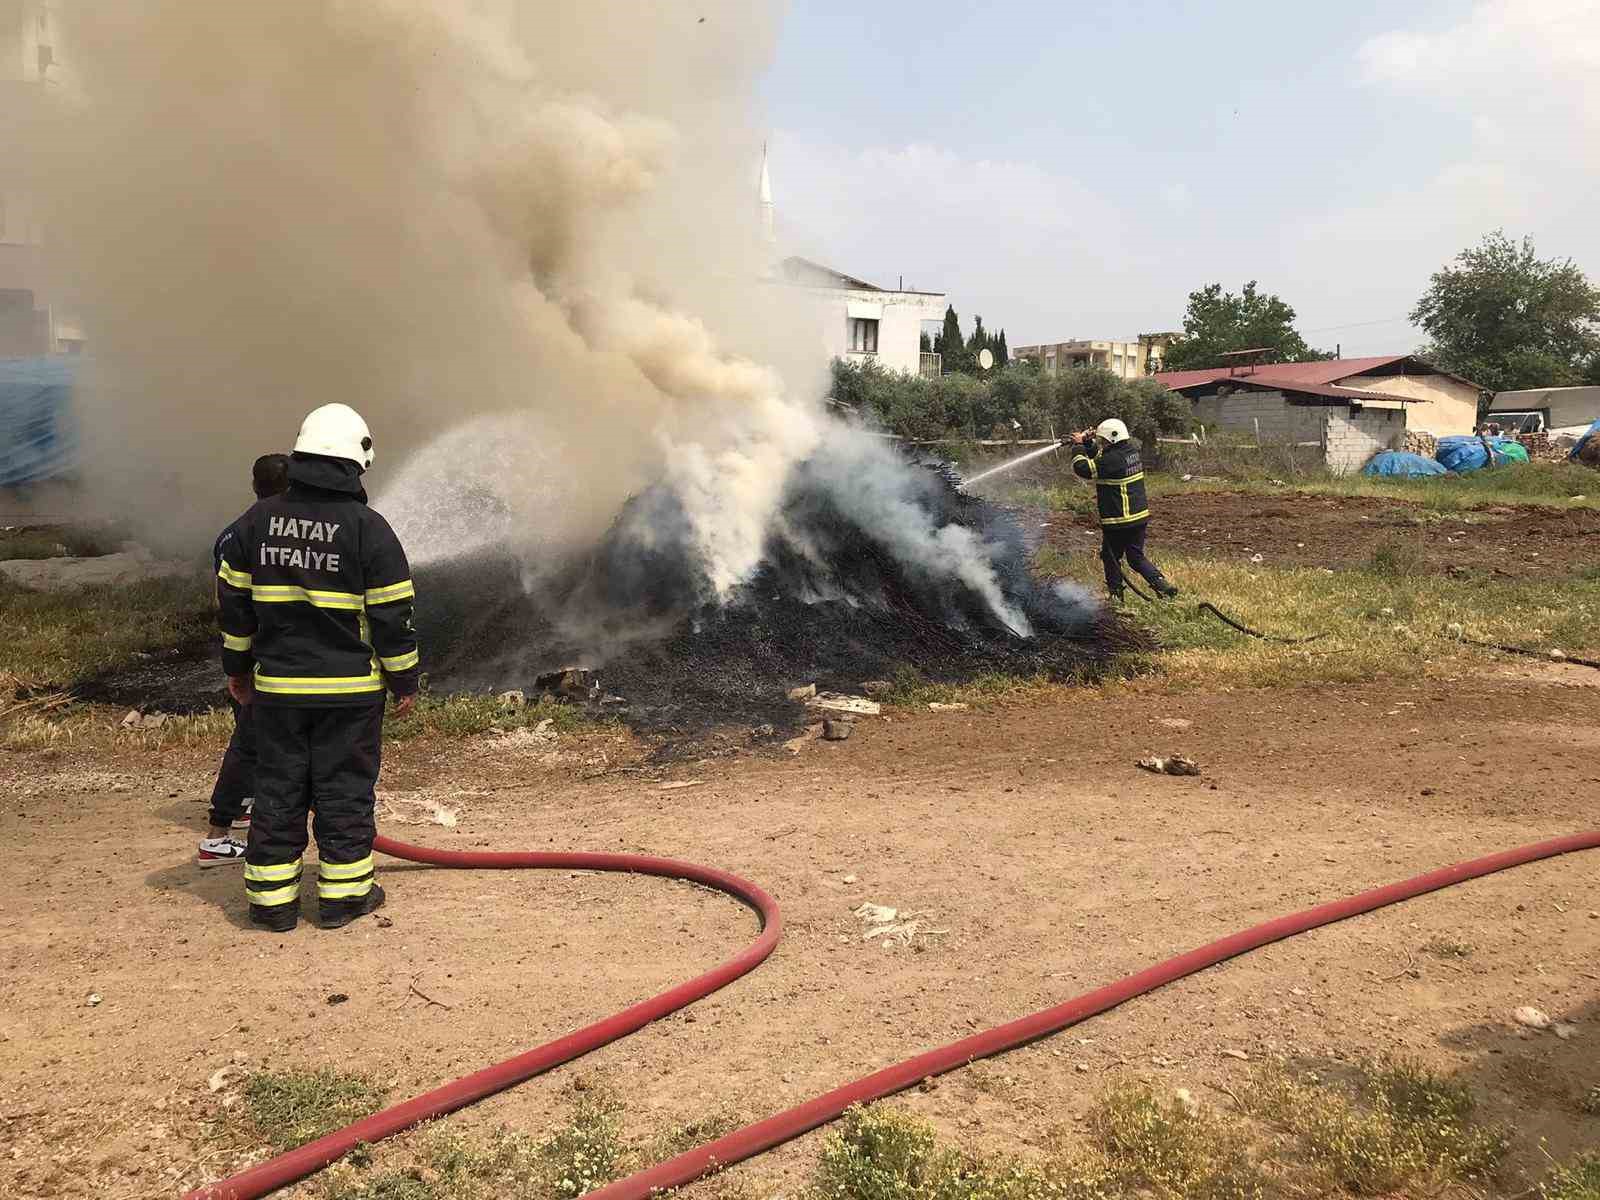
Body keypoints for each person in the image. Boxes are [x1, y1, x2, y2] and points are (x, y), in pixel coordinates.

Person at [216, 404, 420, 931]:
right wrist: (404, 680)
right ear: (355, 463)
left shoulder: (253, 524)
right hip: (349, 696)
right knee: (344, 791)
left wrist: (237, 669)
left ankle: (271, 904)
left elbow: (234, 609)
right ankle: (344, 899)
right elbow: (392, 615)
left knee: (278, 790)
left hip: (278, 693)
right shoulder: (368, 529)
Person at [197, 453, 291, 868]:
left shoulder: (233, 534)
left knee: (255, 738)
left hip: (248, 651)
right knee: (250, 741)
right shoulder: (264, 535)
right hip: (262, 654)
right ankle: (217, 835)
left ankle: (244, 805)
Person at [1071, 418, 1179, 603]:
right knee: (1135, 557)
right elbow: (1101, 458)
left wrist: (1079, 446)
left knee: (1110, 556)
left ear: (1112, 440)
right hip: (1139, 518)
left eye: (1103, 440)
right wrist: (1089, 443)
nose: (1102, 443)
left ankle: (1116, 596)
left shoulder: (1112, 460)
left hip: (1119, 520)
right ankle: (1162, 585)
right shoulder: (1130, 453)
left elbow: (1083, 468)